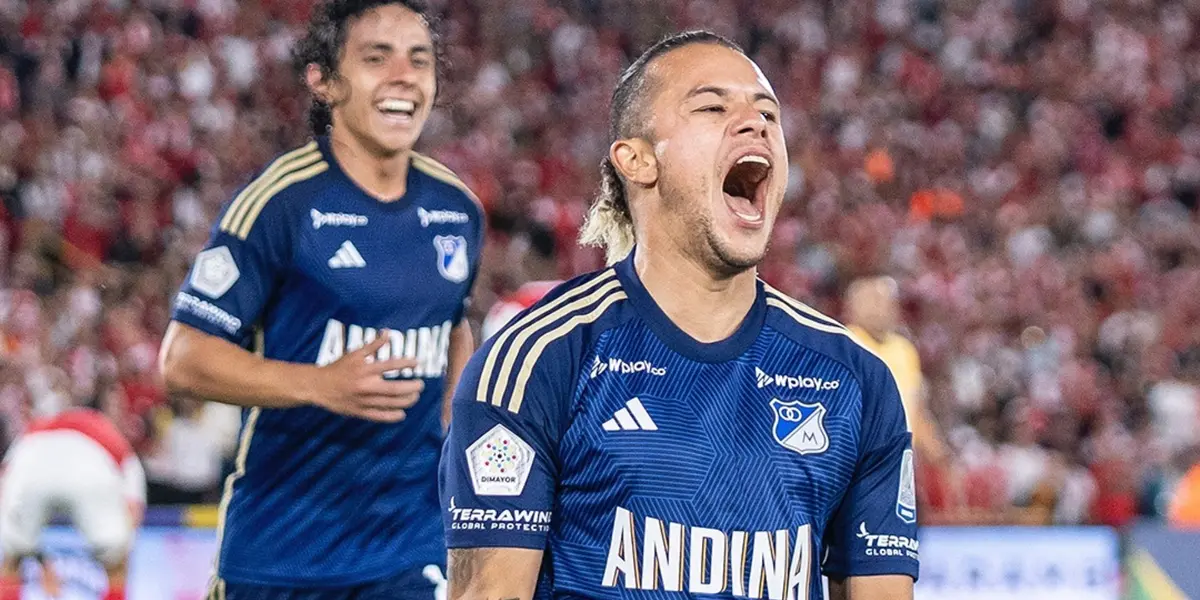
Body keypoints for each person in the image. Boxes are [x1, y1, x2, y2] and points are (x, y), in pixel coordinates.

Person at [438, 30, 918, 600]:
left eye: (768, 112)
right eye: (714, 107)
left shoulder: (855, 378)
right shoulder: (539, 358)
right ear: (637, 160)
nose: (755, 123)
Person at [157, 1, 482, 598]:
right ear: (324, 81)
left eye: (420, 59)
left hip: (410, 546)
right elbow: (182, 358)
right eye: (376, 58)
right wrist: (319, 384)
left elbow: (454, 320)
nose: (404, 77)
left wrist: (457, 422)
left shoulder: (457, 208)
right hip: (282, 552)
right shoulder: (281, 202)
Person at [0, 406, 146, 600]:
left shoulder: (35, 428)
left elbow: (6, 480)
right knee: (116, 566)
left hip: (31, 460)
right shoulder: (109, 433)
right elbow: (133, 505)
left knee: (12, 559)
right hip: (91, 465)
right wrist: (121, 547)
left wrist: (31, 552)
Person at [845, 276, 949, 467]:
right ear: (853, 306)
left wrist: (938, 454)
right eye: (872, 300)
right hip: (860, 457)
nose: (881, 308)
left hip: (900, 458)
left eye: (885, 301)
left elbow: (915, 408)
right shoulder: (846, 345)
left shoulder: (904, 350)